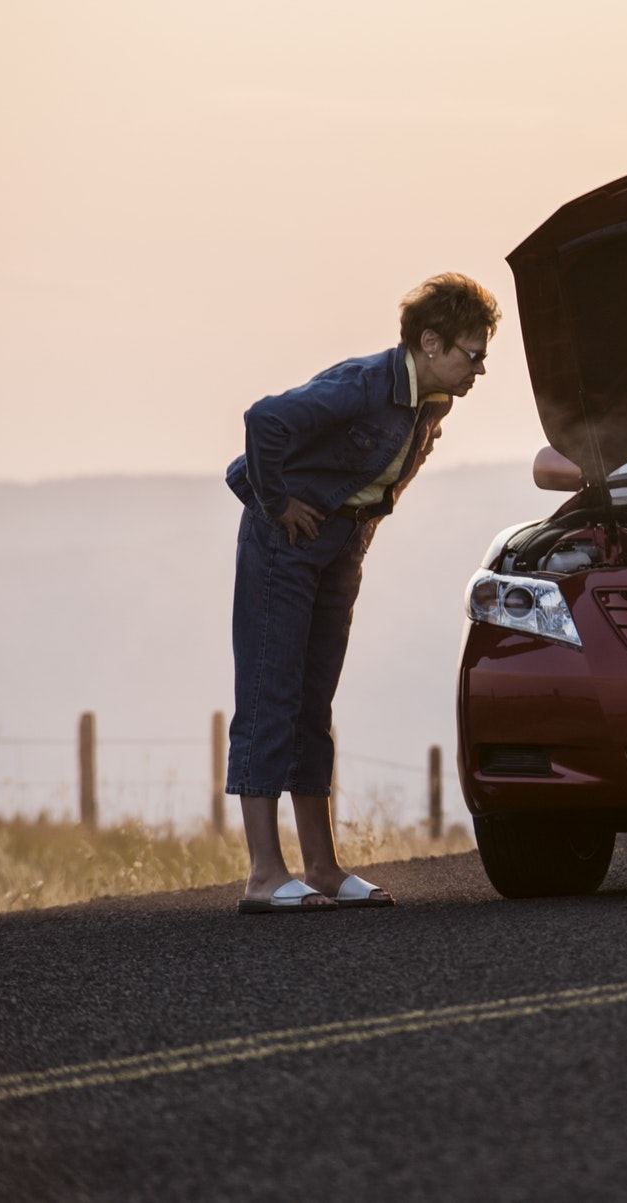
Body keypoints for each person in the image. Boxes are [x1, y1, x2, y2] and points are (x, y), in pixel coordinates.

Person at [223, 273, 499, 913]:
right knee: (271, 694)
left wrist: (362, 530)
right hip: (285, 541)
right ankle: (265, 874)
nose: (479, 368)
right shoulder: (363, 384)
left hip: (340, 547)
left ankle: (321, 867)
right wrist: (276, 503)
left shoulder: (434, 403)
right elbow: (264, 419)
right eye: (472, 353)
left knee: (313, 703)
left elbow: (388, 473)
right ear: (430, 342)